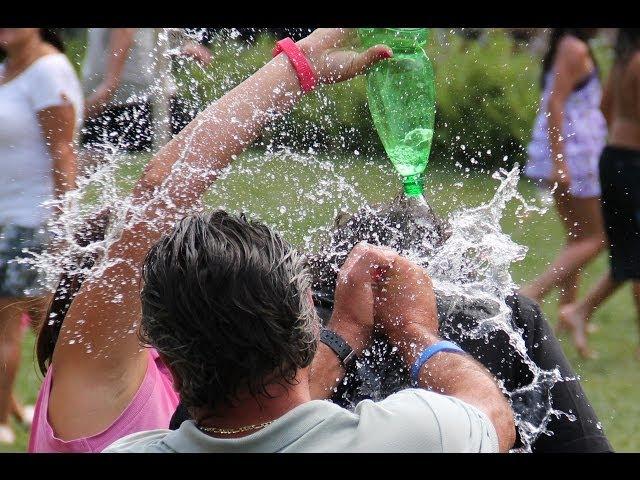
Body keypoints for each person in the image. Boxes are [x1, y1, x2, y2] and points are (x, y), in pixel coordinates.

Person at [29, 28, 509, 454]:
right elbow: (491, 420)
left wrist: (341, 334)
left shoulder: (146, 400)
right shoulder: (413, 435)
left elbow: (261, 417)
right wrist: (416, 332)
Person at [168, 194, 613, 452]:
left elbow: (215, 425)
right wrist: (415, 331)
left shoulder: (150, 442)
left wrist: (340, 337)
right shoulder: (501, 322)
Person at [0, 28, 82, 444]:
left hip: (29, 223)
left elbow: (63, 152)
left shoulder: (48, 70)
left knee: (12, 326)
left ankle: (3, 421)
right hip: (6, 222)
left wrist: (61, 227)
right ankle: (17, 408)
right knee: (46, 323)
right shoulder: (7, 69)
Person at [520, 29, 607, 337]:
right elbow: (556, 103)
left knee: (576, 238)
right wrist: (560, 162)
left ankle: (565, 318)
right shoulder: (575, 48)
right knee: (596, 238)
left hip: (566, 152)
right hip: (575, 154)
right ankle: (531, 293)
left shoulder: (567, 44)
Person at [560, 29, 640, 359]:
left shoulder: (624, 63)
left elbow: (605, 109)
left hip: (614, 159)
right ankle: (579, 311)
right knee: (631, 253)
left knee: (629, 252)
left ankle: (580, 312)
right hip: (632, 162)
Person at [80, 28, 212, 162]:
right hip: (136, 98)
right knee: (203, 142)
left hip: (136, 99)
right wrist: (183, 42)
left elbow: (126, 31)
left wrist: (109, 85)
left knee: (83, 162)